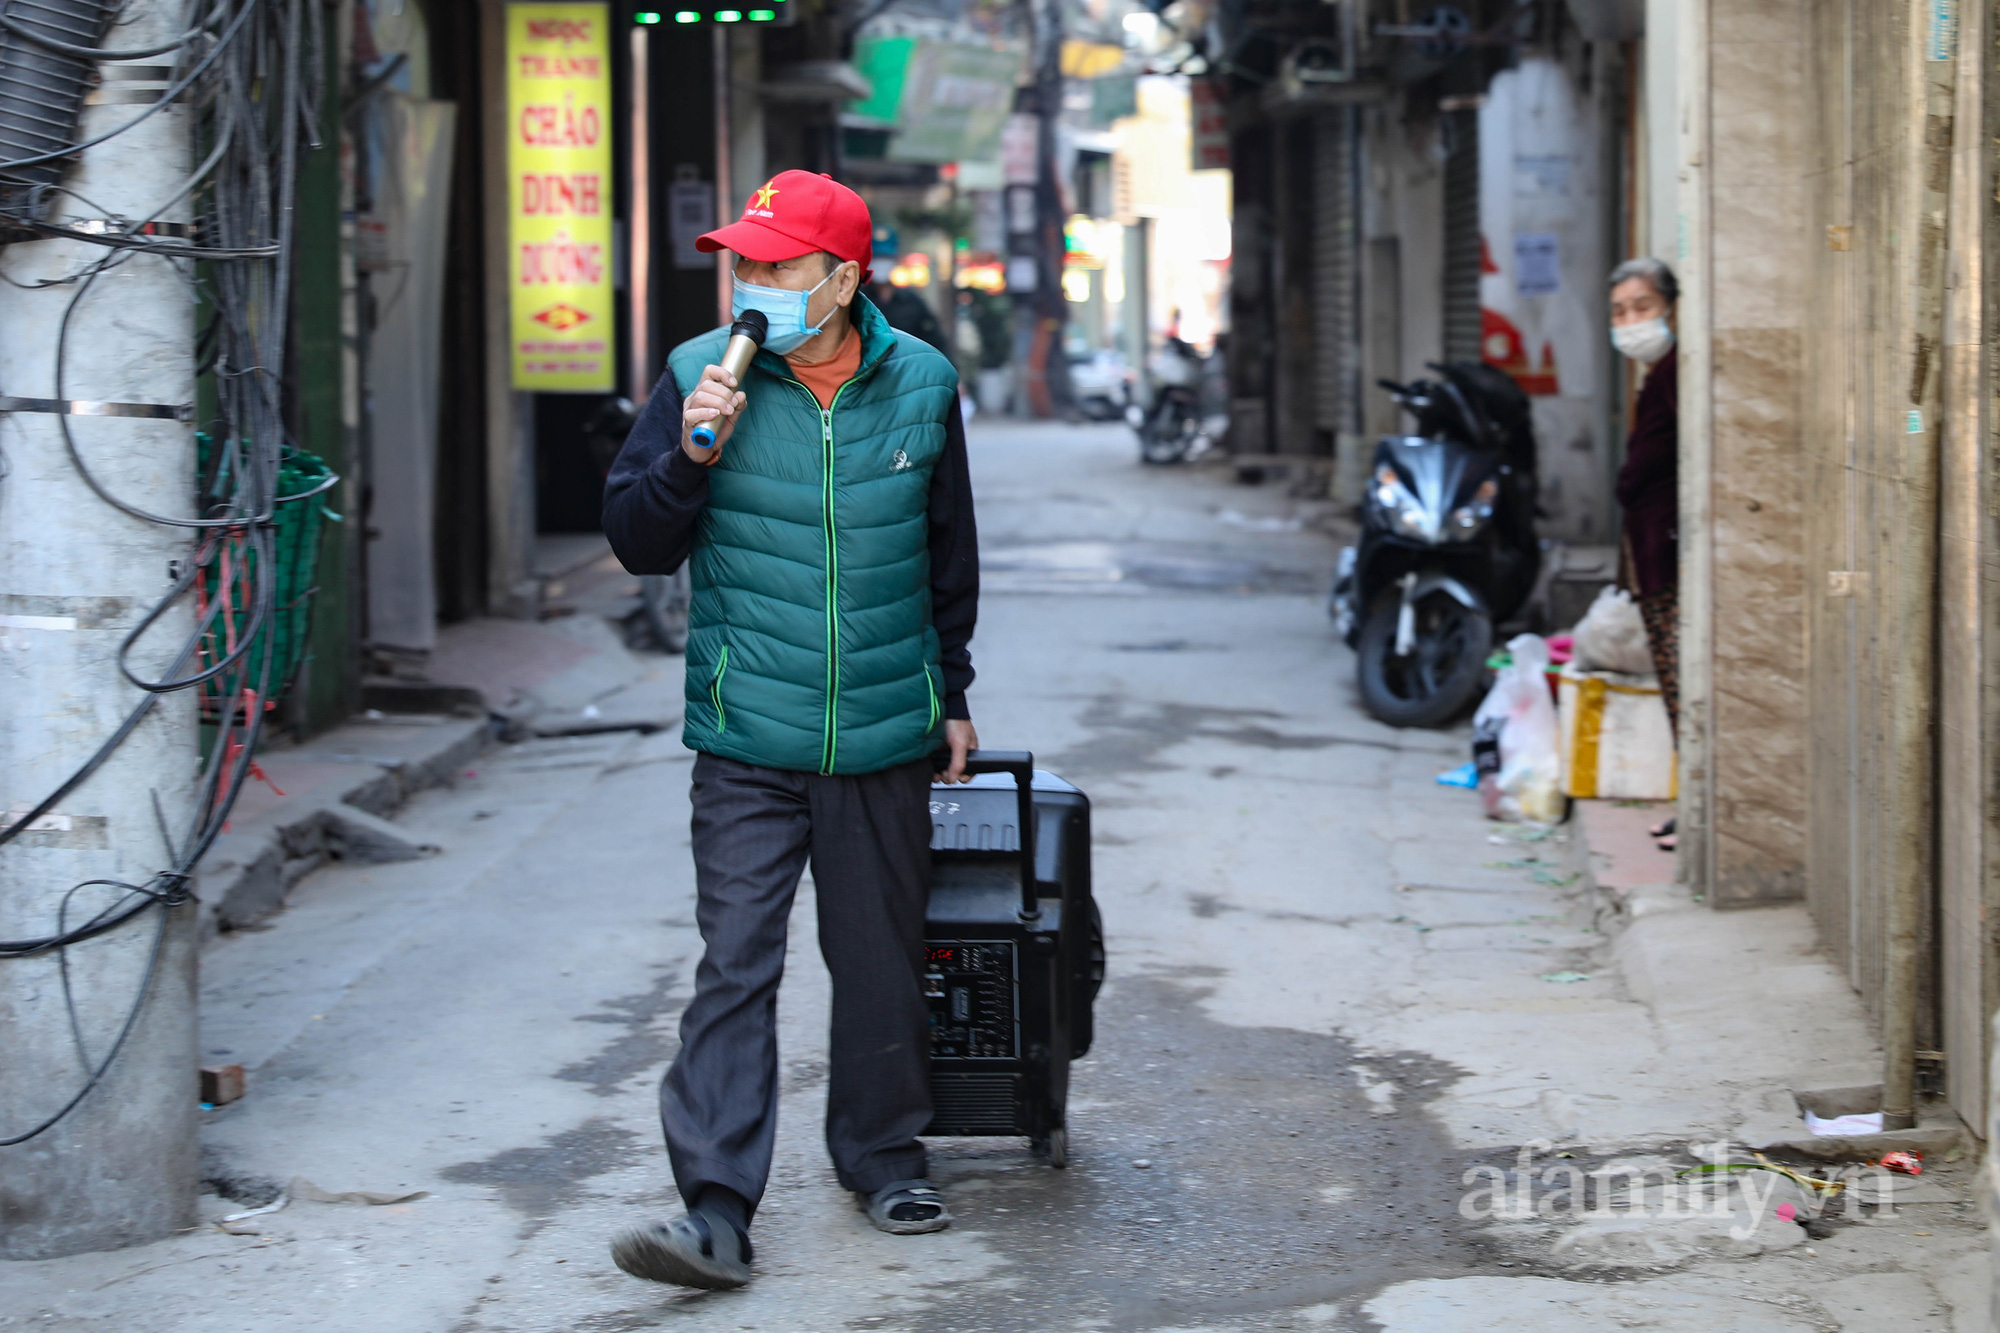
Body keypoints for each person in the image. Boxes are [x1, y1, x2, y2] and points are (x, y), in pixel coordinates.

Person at [600, 169, 979, 1290]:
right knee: (734, 963)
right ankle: (714, 1204)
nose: (754, 285)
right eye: (744, 265)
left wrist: (948, 689)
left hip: (878, 726)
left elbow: (947, 554)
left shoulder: (920, 383)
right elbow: (634, 541)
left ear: (843, 279)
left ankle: (883, 1157)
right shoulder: (692, 376)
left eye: (778, 266)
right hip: (744, 732)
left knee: (877, 961)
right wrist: (692, 451)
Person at [1608, 256, 1679, 850]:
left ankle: (1696, 810)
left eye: (1643, 307)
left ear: (1670, 309)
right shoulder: (1657, 374)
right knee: (1673, 679)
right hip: (1652, 552)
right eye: (1620, 311)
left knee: (1682, 680)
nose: (1631, 321)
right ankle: (1691, 806)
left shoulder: (1676, 372)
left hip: (1670, 551)